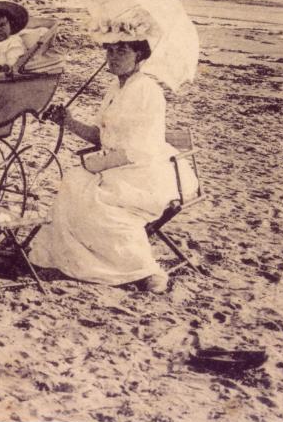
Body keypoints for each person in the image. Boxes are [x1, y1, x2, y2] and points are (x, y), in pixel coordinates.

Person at [30, 34, 194, 293]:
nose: (114, 57)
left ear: (139, 56)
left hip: (143, 169)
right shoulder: (115, 88)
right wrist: (68, 122)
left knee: (101, 202)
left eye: (122, 51)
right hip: (116, 164)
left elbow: (139, 148)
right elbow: (100, 136)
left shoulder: (147, 91)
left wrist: (101, 164)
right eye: (111, 50)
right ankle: (78, 259)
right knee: (72, 183)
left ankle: (143, 269)